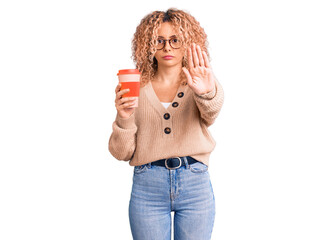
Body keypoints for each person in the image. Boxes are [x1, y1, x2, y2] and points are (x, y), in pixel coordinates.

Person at [108, 8, 224, 240]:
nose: (167, 47)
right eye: (159, 41)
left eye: (174, 40)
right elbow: (122, 152)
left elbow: (211, 114)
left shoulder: (200, 79)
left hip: (195, 183)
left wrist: (206, 92)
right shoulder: (134, 87)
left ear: (188, 42)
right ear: (148, 45)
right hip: (147, 186)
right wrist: (124, 116)